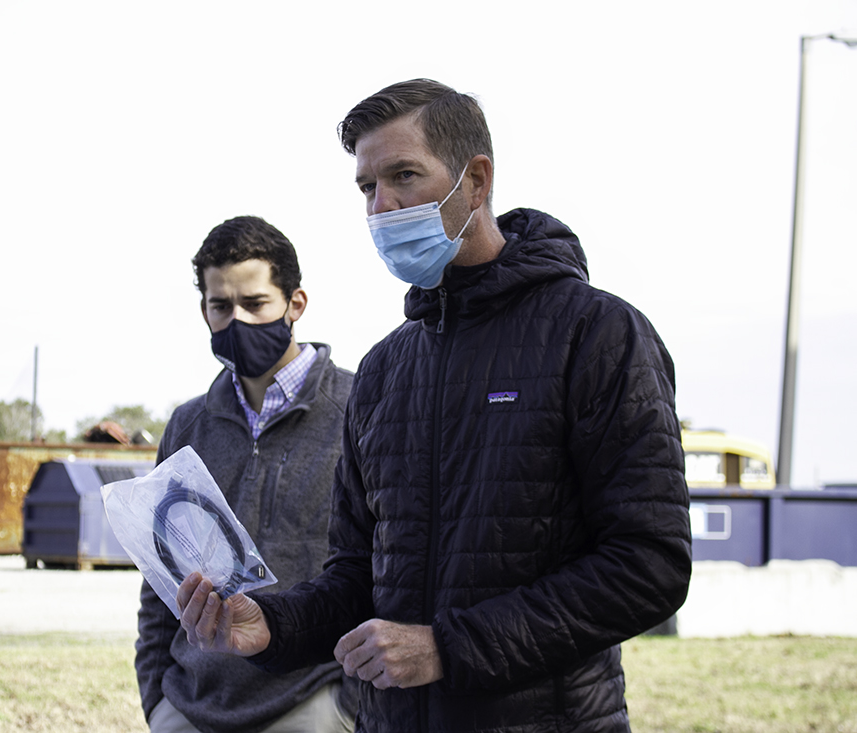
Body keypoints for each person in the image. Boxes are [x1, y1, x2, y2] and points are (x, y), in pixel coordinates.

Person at [175, 80, 693, 732]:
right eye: (367, 187)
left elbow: (649, 564)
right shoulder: (386, 370)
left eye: (405, 176)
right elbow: (356, 582)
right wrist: (272, 623)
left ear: (476, 182)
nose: (382, 207)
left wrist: (448, 646)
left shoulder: (597, 335)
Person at [135, 215, 358, 733]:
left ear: (294, 304)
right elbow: (156, 580)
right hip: (189, 708)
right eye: (221, 306)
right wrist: (158, 701)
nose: (237, 320)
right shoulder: (188, 424)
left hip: (311, 705)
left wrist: (347, 708)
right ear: (205, 310)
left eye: (255, 304)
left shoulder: (359, 407)